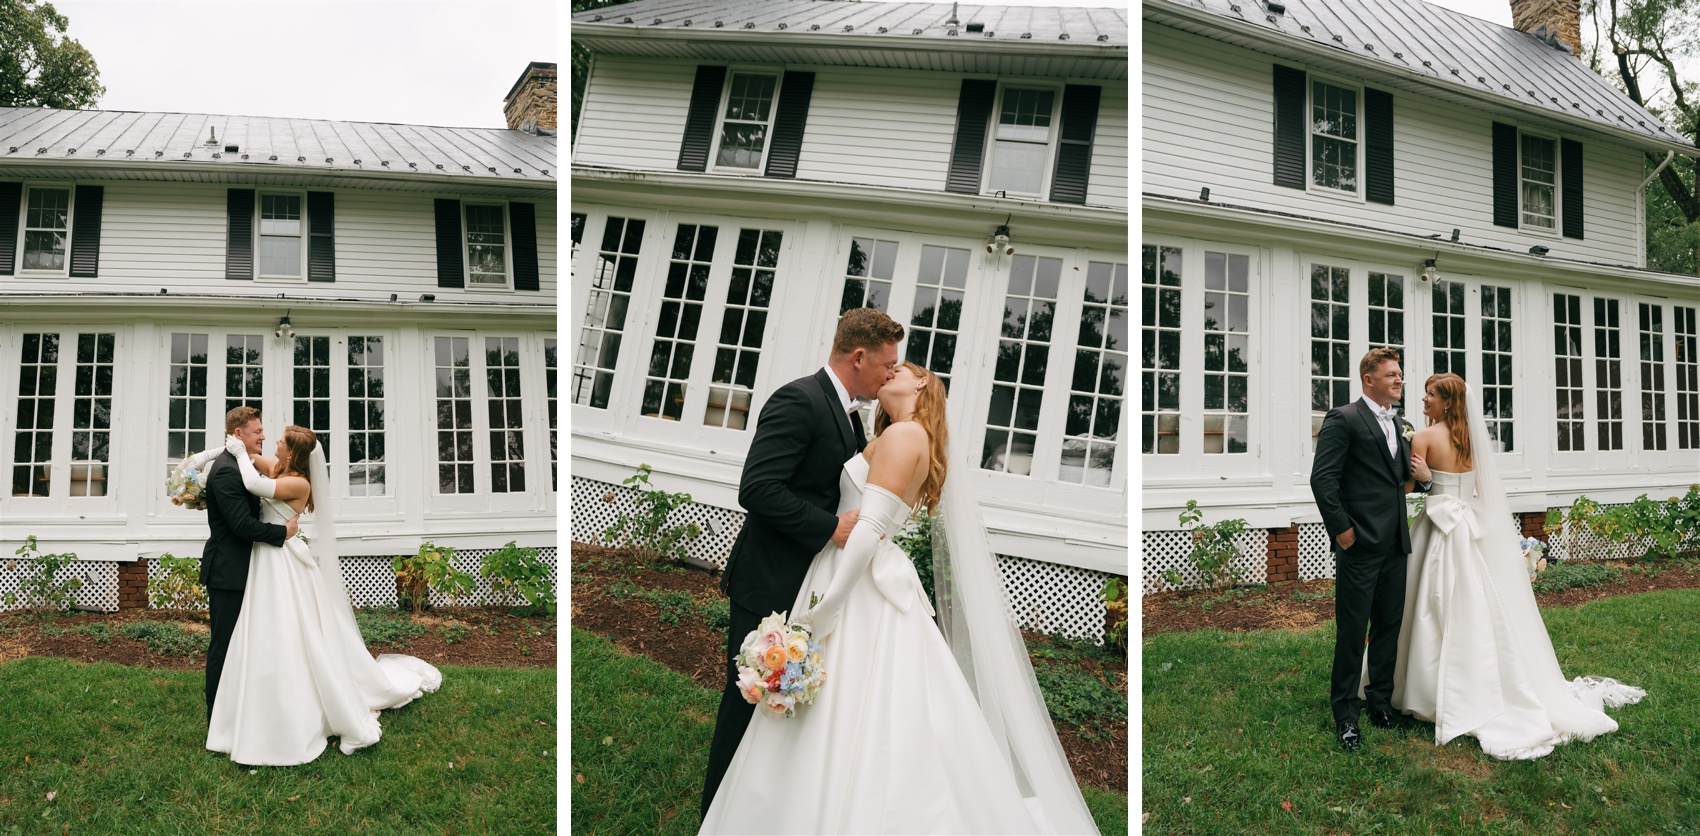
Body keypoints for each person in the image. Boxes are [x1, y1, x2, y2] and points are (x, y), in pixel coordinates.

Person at [699, 362, 1098, 834]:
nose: (890, 372)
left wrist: (823, 612)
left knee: (857, 701)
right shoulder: (896, 434)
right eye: (885, 366)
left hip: (853, 580)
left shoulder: (906, 436)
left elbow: (867, 530)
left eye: (901, 369)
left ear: (922, 383)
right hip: (843, 570)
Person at [700, 307, 902, 817]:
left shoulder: (848, 412)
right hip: (769, 578)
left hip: (808, 581)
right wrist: (828, 527)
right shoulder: (799, 399)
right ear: (859, 357)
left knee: (780, 701)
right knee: (746, 700)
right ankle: (716, 815)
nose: (889, 375)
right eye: (885, 364)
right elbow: (758, 488)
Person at [1390, 374, 1644, 759]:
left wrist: (1423, 480)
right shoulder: (1474, 439)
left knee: (1430, 601)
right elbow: (1478, 487)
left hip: (1439, 528)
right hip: (1471, 526)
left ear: (1447, 403)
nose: (1424, 399)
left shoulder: (1422, 439)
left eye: (1430, 395)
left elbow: (1407, 486)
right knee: (1481, 602)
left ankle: (1426, 688)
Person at [204, 424, 441, 766]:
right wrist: (216, 455)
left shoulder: (298, 482)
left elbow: (255, 483)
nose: (273, 443)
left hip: (280, 558)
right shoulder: (278, 467)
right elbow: (250, 462)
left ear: (293, 453)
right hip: (265, 558)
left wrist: (241, 453)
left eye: (281, 442)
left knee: (290, 630)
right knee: (261, 631)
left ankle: (299, 707)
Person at [1310, 347, 1431, 751]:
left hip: (1397, 542)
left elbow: (1402, 482)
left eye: (1400, 374)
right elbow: (1323, 480)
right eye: (1392, 375)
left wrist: (1427, 481)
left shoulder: (1402, 423)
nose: (1399, 381)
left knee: (1388, 627)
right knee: (1352, 630)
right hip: (1359, 543)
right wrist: (1342, 531)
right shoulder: (1343, 419)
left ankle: (1380, 701)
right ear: (1369, 380)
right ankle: (1346, 712)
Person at [199, 407, 297, 720]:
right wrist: (283, 532)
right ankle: (216, 712)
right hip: (228, 570)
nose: (264, 436)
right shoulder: (227, 469)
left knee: (243, 641)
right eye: (257, 432)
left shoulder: (237, 462)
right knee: (224, 643)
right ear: (238, 434)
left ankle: (241, 704)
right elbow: (241, 525)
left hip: (245, 567)